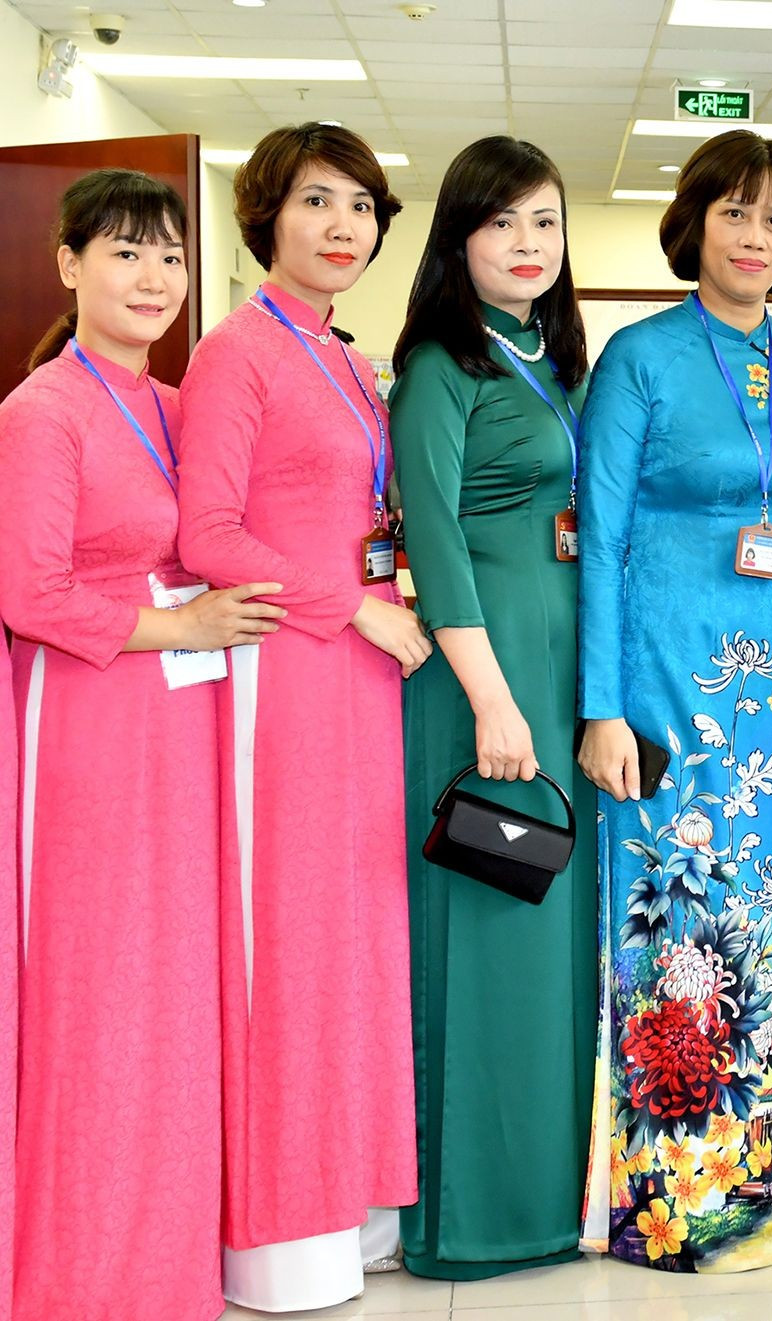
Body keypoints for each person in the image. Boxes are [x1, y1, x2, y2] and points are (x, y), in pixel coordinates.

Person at [0, 169, 283, 1321]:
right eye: (125, 252)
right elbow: (29, 592)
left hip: (183, 726)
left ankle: (168, 1263)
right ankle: (83, 1275)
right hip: (89, 722)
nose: (155, 277)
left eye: (170, 253)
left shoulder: (175, 405)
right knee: (98, 990)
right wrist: (182, 626)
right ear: (70, 265)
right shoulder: (41, 412)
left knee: (173, 990)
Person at [576, 128, 772, 1273]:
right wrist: (602, 705)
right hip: (666, 687)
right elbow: (600, 539)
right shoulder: (638, 357)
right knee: (678, 924)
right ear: (692, 224)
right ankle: (678, 1202)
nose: (756, 236)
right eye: (735, 213)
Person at [178, 123, 430, 1312]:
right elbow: (208, 534)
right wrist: (353, 604)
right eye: (317, 202)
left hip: (363, 681)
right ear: (266, 214)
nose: (343, 226)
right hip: (286, 672)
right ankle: (279, 1233)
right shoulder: (236, 352)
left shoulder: (346, 357)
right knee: (288, 943)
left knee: (360, 940)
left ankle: (360, 1203)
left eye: (362, 206)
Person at [389, 136, 597, 1281]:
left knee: (552, 923)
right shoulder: (442, 363)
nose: (527, 244)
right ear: (459, 238)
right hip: (485, 677)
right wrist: (491, 698)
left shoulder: (554, 358)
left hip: (556, 670)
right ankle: (474, 1217)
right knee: (488, 923)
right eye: (502, 222)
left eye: (545, 222)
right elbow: (434, 538)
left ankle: (556, 1197)